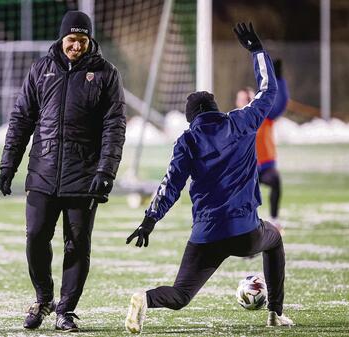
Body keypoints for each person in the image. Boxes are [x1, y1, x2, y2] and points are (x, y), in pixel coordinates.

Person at [124, 23, 294, 333]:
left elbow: (170, 185)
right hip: (245, 231)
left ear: (191, 119)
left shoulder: (188, 141)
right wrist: (257, 51)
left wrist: (149, 220)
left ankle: (145, 298)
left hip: (207, 235)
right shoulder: (241, 121)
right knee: (275, 240)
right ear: (215, 108)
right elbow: (268, 91)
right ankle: (275, 312)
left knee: (180, 295)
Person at [0, 10, 126, 332]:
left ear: (89, 40)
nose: (76, 46)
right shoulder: (41, 70)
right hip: (42, 170)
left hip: (84, 175)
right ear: (62, 39)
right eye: (72, 40)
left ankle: (65, 311)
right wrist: (8, 165)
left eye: (82, 40)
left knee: (77, 244)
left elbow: (114, 127)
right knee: (36, 237)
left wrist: (106, 170)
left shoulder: (106, 73)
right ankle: (43, 299)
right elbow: (21, 120)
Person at [236, 60, 289, 231]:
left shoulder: (264, 116)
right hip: (248, 170)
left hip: (265, 167)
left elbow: (281, 102)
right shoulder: (234, 121)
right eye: (242, 99)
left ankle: (274, 219)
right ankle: (246, 230)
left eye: (248, 98)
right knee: (243, 197)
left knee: (275, 180)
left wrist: (279, 78)